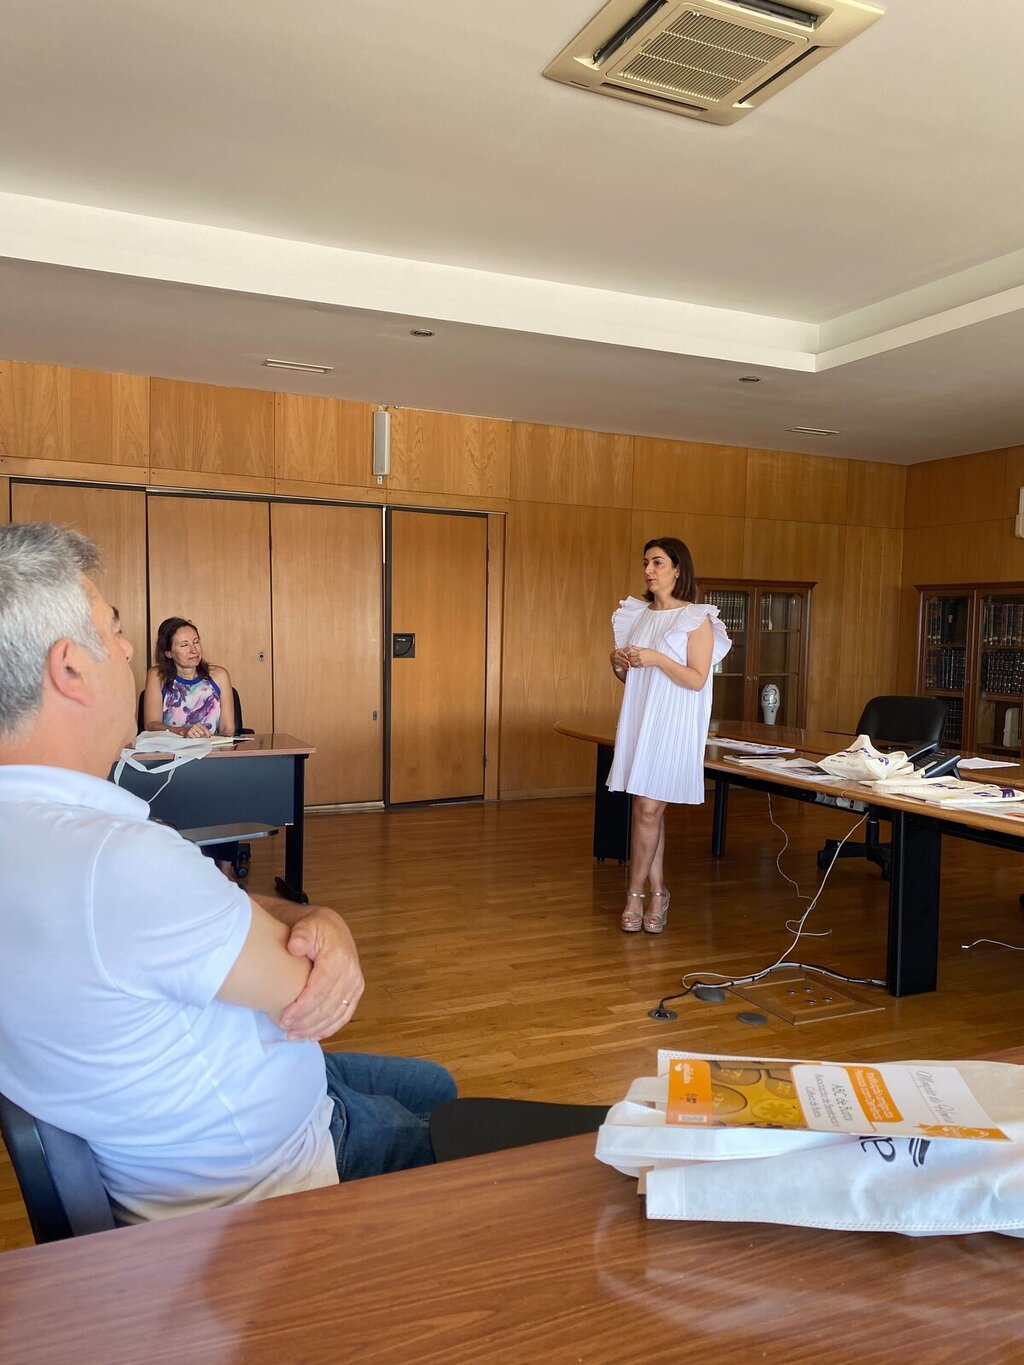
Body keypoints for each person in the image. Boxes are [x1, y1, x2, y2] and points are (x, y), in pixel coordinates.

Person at [0, 522, 456, 1225]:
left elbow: (220, 914)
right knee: (471, 1131)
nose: (128, 648)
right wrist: (321, 922)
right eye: (114, 630)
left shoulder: (44, 840)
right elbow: (312, 988)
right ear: (69, 669)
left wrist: (310, 916)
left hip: (173, 1119)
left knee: (434, 1083)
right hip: (274, 1173)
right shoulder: (116, 864)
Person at [607, 537, 731, 934]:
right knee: (648, 811)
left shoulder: (696, 618)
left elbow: (696, 679)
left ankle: (634, 895)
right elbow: (631, 677)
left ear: (678, 569)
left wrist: (658, 658)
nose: (649, 570)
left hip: (673, 723)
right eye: (646, 562)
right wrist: (618, 662)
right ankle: (658, 893)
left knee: (647, 809)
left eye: (658, 562)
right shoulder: (638, 615)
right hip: (641, 718)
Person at [144, 616, 236, 739]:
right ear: (168, 653)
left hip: (212, 748)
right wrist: (182, 731)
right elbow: (151, 724)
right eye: (184, 645)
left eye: (196, 642)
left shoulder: (220, 676)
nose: (194, 650)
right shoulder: (158, 676)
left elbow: (227, 730)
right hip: (171, 749)